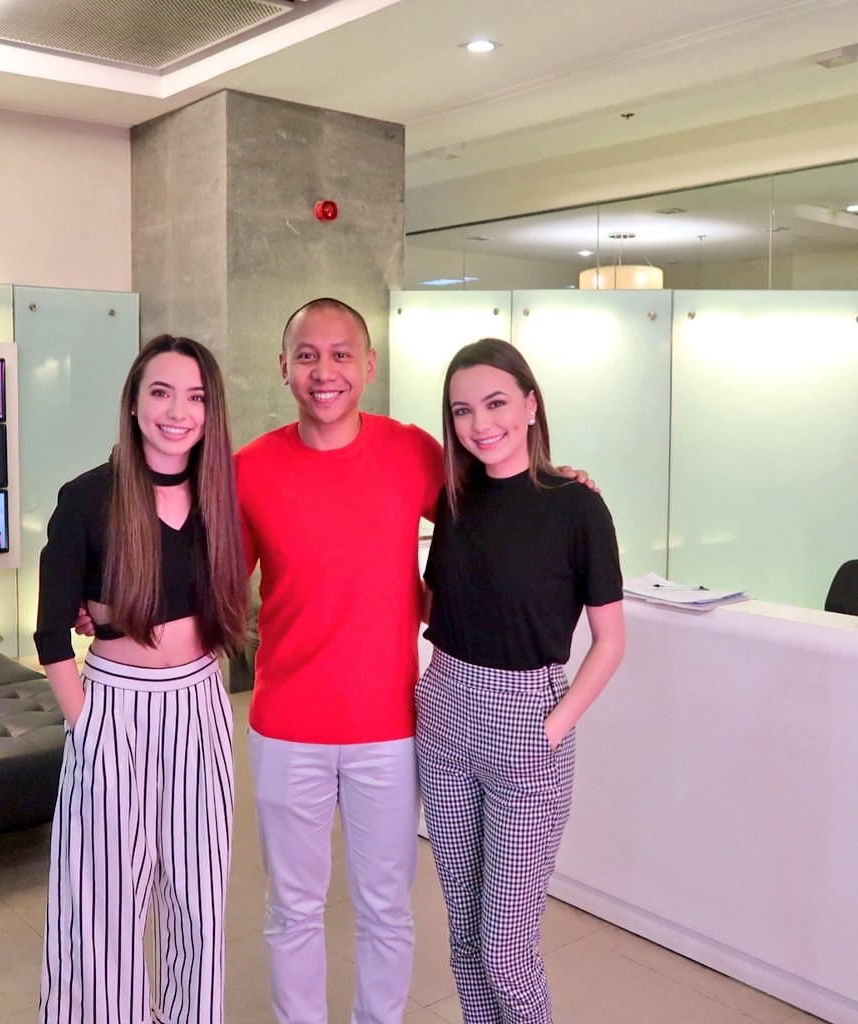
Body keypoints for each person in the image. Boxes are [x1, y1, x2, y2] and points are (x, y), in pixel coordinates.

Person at [235, 299, 594, 1024]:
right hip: (285, 724)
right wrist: (110, 612)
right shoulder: (248, 469)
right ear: (283, 367)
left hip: (392, 726)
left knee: (385, 909)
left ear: (369, 366)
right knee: (293, 909)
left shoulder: (412, 453)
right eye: (307, 354)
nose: (324, 370)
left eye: (342, 354)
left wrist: (556, 491)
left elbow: (494, 514)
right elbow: (206, 585)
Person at [34, 334, 248, 1024]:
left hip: (199, 705)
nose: (176, 411)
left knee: (197, 897)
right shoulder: (89, 497)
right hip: (113, 708)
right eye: (160, 392)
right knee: (102, 901)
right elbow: (48, 636)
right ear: (132, 404)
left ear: (211, 413)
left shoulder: (224, 495)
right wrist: (87, 727)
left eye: (195, 397)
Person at [416, 338, 625, 1024]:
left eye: (498, 403)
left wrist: (552, 729)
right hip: (442, 710)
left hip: (526, 723)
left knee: (507, 948)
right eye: (463, 410)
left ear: (532, 405)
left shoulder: (577, 506)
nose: (481, 424)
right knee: (466, 937)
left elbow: (612, 641)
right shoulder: (452, 499)